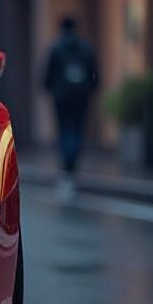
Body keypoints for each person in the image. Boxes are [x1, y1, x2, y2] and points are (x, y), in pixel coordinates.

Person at [42, 15, 98, 196]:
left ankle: (67, 169)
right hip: (81, 97)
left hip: (61, 97)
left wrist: (50, 90)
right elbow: (95, 74)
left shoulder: (56, 48)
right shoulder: (86, 48)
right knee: (78, 130)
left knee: (64, 131)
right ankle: (72, 165)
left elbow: (46, 76)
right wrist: (90, 90)